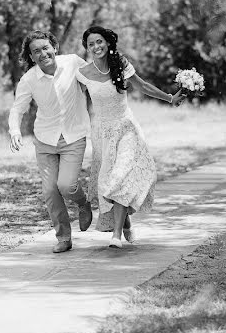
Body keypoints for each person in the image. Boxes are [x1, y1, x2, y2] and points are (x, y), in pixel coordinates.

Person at [75, 25, 187, 248]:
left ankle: (116, 235)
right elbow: (74, 105)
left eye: (99, 42)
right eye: (91, 44)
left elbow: (143, 86)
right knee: (109, 183)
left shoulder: (121, 64)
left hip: (127, 130)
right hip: (102, 135)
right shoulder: (82, 74)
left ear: (107, 43)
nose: (96, 46)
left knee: (121, 177)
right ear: (87, 48)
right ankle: (125, 222)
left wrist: (169, 98)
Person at [8, 30, 93, 253]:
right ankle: (63, 237)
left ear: (54, 47)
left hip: (74, 136)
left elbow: (94, 78)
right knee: (50, 191)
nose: (42, 53)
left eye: (45, 47)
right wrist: (15, 131)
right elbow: (17, 109)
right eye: (36, 51)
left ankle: (83, 203)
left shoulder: (73, 62)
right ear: (31, 57)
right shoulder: (29, 80)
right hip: (45, 140)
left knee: (66, 185)